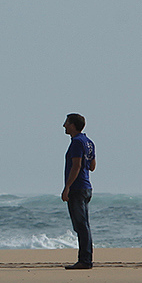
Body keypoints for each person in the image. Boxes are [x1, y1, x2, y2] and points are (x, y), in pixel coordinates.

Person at [62, 113, 97, 269]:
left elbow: (77, 166)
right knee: (83, 225)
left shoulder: (77, 142)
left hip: (78, 188)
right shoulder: (89, 142)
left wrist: (67, 187)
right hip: (86, 187)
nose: (64, 125)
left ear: (73, 125)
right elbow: (92, 166)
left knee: (81, 226)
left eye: (67, 123)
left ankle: (85, 260)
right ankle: (85, 258)